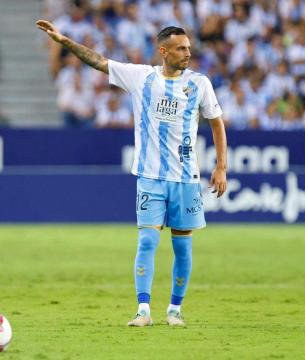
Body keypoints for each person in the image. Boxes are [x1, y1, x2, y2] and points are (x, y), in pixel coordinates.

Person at [37, 20, 228, 327]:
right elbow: (98, 61)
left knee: (182, 246)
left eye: (189, 48)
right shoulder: (141, 77)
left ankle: (175, 310)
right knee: (147, 243)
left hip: (186, 178)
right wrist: (64, 41)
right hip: (150, 177)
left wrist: (220, 166)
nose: (187, 53)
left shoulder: (200, 83)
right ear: (163, 51)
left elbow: (217, 123)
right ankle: (143, 310)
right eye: (180, 48)